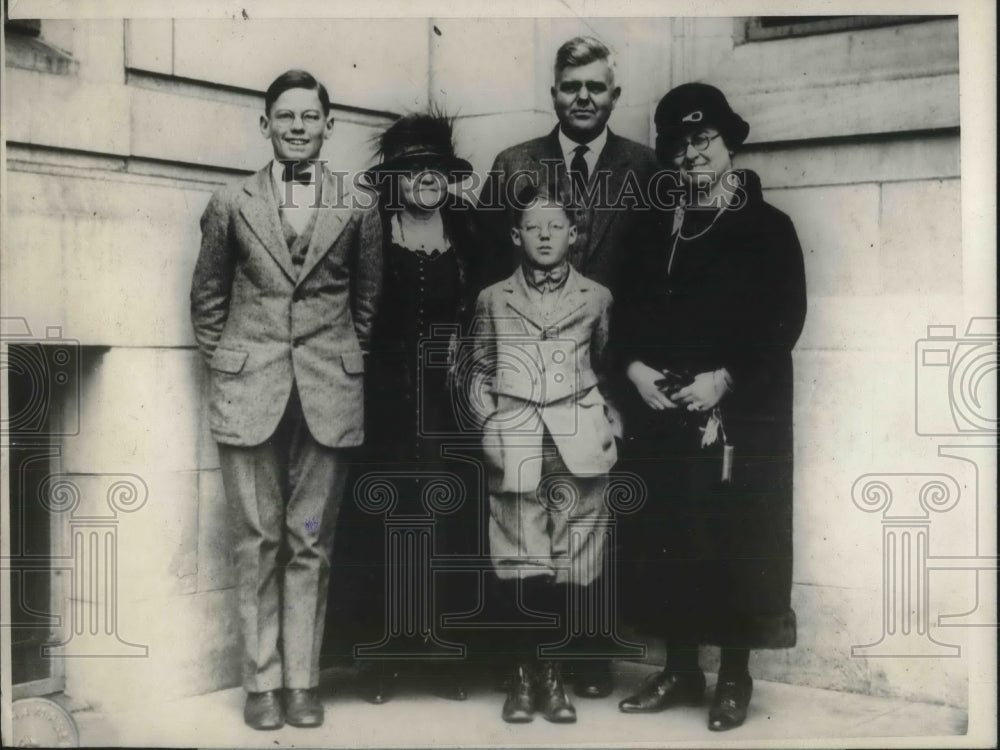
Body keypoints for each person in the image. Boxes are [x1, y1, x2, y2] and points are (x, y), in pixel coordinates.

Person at [190, 69, 382, 731]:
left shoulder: (359, 204)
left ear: (329, 125)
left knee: (310, 543)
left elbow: (367, 303)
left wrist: (336, 360)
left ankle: (303, 682)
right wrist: (235, 363)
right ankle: (261, 685)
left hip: (329, 389)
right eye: (286, 116)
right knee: (255, 541)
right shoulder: (229, 202)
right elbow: (208, 301)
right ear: (265, 124)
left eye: (310, 116)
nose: (298, 127)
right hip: (252, 390)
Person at [615, 82, 807, 731]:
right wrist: (634, 368)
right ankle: (679, 669)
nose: (691, 154)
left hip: (738, 419)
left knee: (736, 540)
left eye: (703, 140)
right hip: (665, 413)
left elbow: (783, 323)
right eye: (678, 144)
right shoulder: (652, 230)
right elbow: (627, 316)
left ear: (728, 144)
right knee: (672, 536)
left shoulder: (768, 229)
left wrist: (723, 381)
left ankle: (733, 677)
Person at [477, 34, 659, 698]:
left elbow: (656, 277)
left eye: (595, 86)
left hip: (607, 376)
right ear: (553, 92)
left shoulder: (645, 168)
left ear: (614, 93)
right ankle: (528, 660)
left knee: (590, 524)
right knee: (523, 517)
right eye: (570, 86)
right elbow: (486, 271)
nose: (583, 97)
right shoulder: (514, 164)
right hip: (526, 386)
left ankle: (586, 653)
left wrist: (629, 378)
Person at [332, 111, 482, 705]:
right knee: (387, 520)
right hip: (385, 400)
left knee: (448, 523)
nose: (426, 180)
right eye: (413, 170)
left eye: (436, 170)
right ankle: (382, 659)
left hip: (447, 402)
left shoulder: (467, 231)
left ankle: (444, 654)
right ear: (394, 179)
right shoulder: (372, 229)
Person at [470, 183, 618, 723]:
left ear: (575, 235)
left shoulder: (597, 297)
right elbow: (479, 371)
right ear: (516, 236)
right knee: (519, 556)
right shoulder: (493, 298)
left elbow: (605, 364)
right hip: (516, 439)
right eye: (534, 227)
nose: (546, 236)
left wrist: (607, 425)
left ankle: (554, 674)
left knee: (572, 560)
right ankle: (522, 675)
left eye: (557, 226)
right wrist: (490, 429)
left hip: (576, 442)